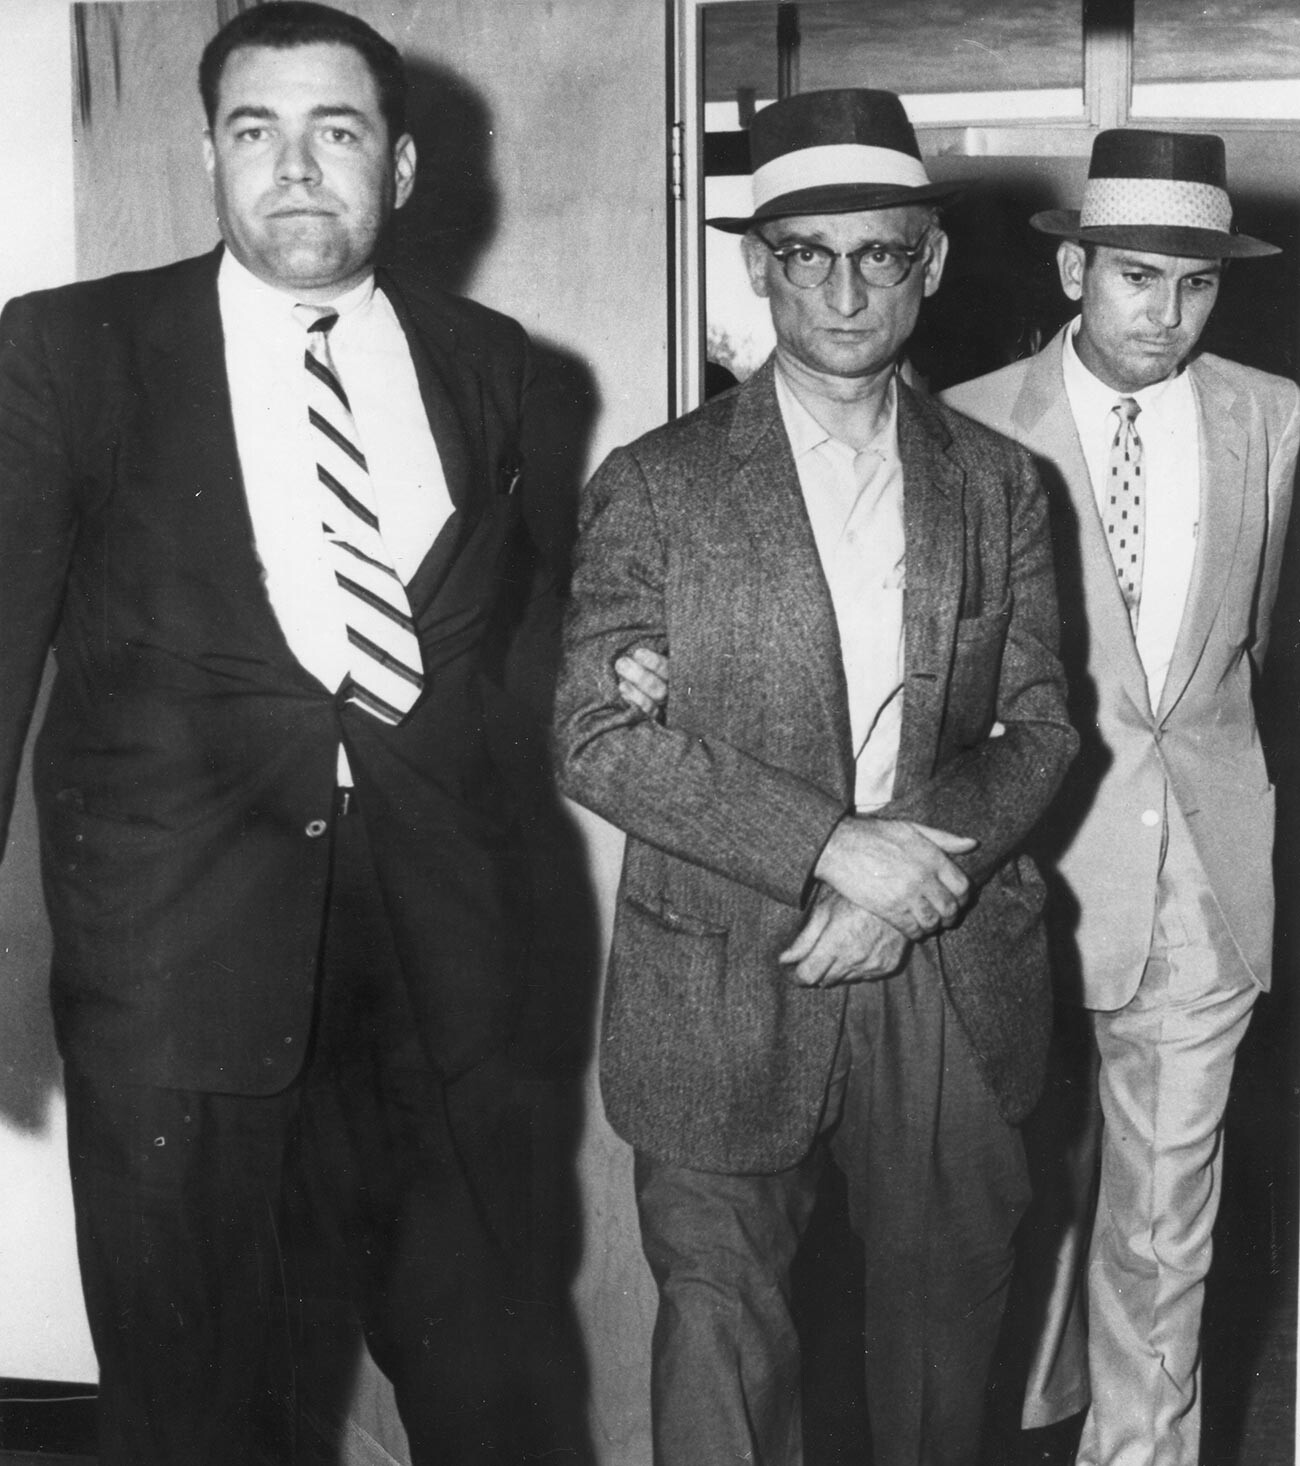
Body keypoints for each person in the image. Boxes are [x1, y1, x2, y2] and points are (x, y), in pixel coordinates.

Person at [0, 4, 551, 1461]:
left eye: (338, 132)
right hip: (179, 970)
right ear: (206, 156)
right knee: (195, 1419)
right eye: (257, 132)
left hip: (439, 972)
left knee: (485, 1391)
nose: (296, 169)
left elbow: (490, 659)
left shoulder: (492, 362)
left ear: (408, 165)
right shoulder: (73, 348)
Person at [553, 88, 1077, 1466]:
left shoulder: (1003, 484)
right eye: (809, 254)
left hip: (949, 968)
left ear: (932, 264)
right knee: (724, 1339)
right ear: (759, 266)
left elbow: (1040, 726)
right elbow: (595, 734)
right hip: (727, 963)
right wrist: (833, 845)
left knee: (940, 1347)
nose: (846, 289)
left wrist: (906, 874)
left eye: (882, 253)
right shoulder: (656, 484)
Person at [941, 128, 1300, 1466]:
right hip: (1015, 874)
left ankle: (1139, 1451)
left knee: (1165, 1218)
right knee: (1002, 1207)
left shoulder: (1276, 417)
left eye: (1196, 285)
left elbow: (1255, 646)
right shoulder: (968, 419)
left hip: (1205, 872)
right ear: (1078, 267)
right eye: (1138, 276)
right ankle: (1020, 1425)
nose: (1169, 313)